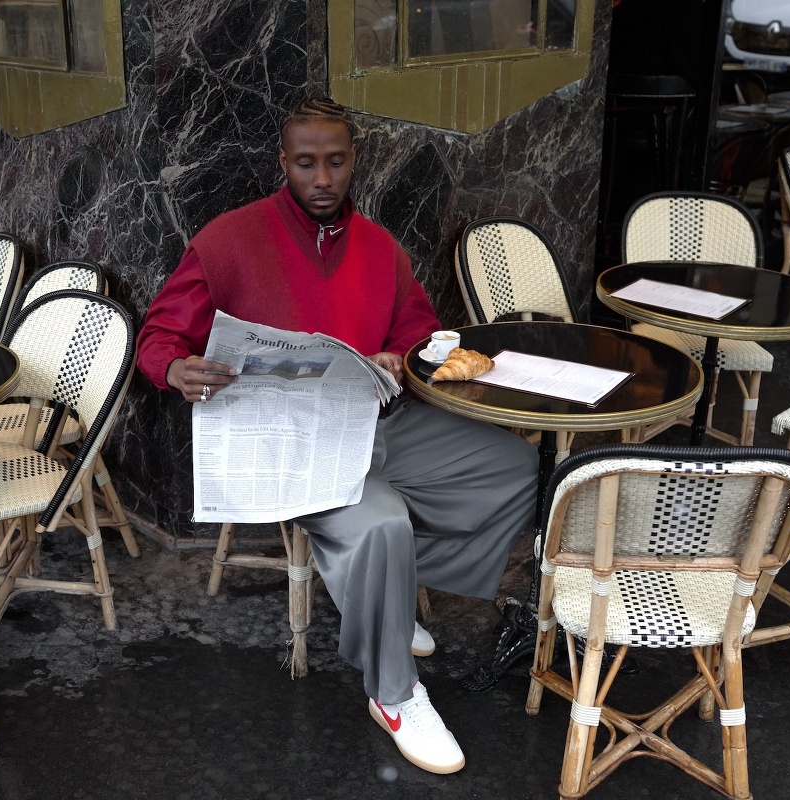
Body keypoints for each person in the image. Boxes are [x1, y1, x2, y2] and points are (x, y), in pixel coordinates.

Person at [136, 96, 538, 775]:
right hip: (292, 446)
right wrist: (174, 368)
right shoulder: (228, 240)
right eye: (305, 163)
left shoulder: (380, 248)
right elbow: (159, 334)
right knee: (381, 525)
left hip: (379, 423)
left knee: (513, 467)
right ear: (282, 161)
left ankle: (385, 592)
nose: (321, 179)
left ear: (355, 160)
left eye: (335, 162)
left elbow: (418, 332)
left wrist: (401, 359)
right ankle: (395, 695)